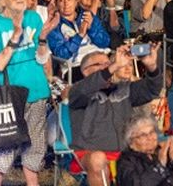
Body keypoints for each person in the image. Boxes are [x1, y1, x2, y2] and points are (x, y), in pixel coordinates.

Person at [0, 0, 54, 186]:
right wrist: (14, 38)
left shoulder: (33, 18)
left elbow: (42, 57)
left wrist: (43, 38)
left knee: (36, 146)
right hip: (10, 94)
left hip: (37, 89)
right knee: (6, 144)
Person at [68, 43, 164, 184]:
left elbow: (152, 90)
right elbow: (88, 87)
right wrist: (111, 67)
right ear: (85, 71)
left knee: (161, 145)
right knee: (98, 159)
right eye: (99, 64)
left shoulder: (123, 90)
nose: (106, 67)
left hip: (124, 153)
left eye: (107, 63)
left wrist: (151, 67)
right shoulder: (78, 91)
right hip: (89, 153)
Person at [116, 115, 173, 186]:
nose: (150, 137)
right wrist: (160, 166)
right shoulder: (126, 162)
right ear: (131, 142)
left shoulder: (165, 151)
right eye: (143, 135)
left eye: (152, 132)